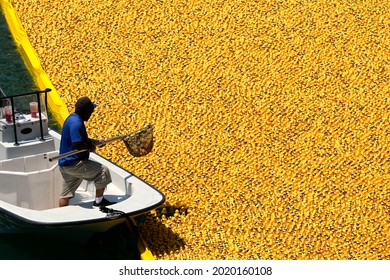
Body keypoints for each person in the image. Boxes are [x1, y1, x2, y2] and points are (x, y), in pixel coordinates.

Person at [58, 96, 115, 207]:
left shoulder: (72, 118)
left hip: (65, 164)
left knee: (66, 194)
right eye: (91, 112)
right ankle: (99, 202)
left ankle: (62, 215)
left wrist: (96, 142)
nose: (91, 114)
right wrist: (90, 147)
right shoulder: (77, 124)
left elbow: (82, 139)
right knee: (103, 171)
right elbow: (78, 144)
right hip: (75, 164)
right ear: (86, 112)